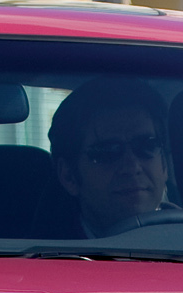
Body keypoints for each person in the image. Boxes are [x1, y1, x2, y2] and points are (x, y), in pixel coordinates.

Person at [48, 77, 174, 235]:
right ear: (69, 177)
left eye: (147, 146)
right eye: (107, 152)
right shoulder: (40, 248)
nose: (132, 167)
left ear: (164, 165)